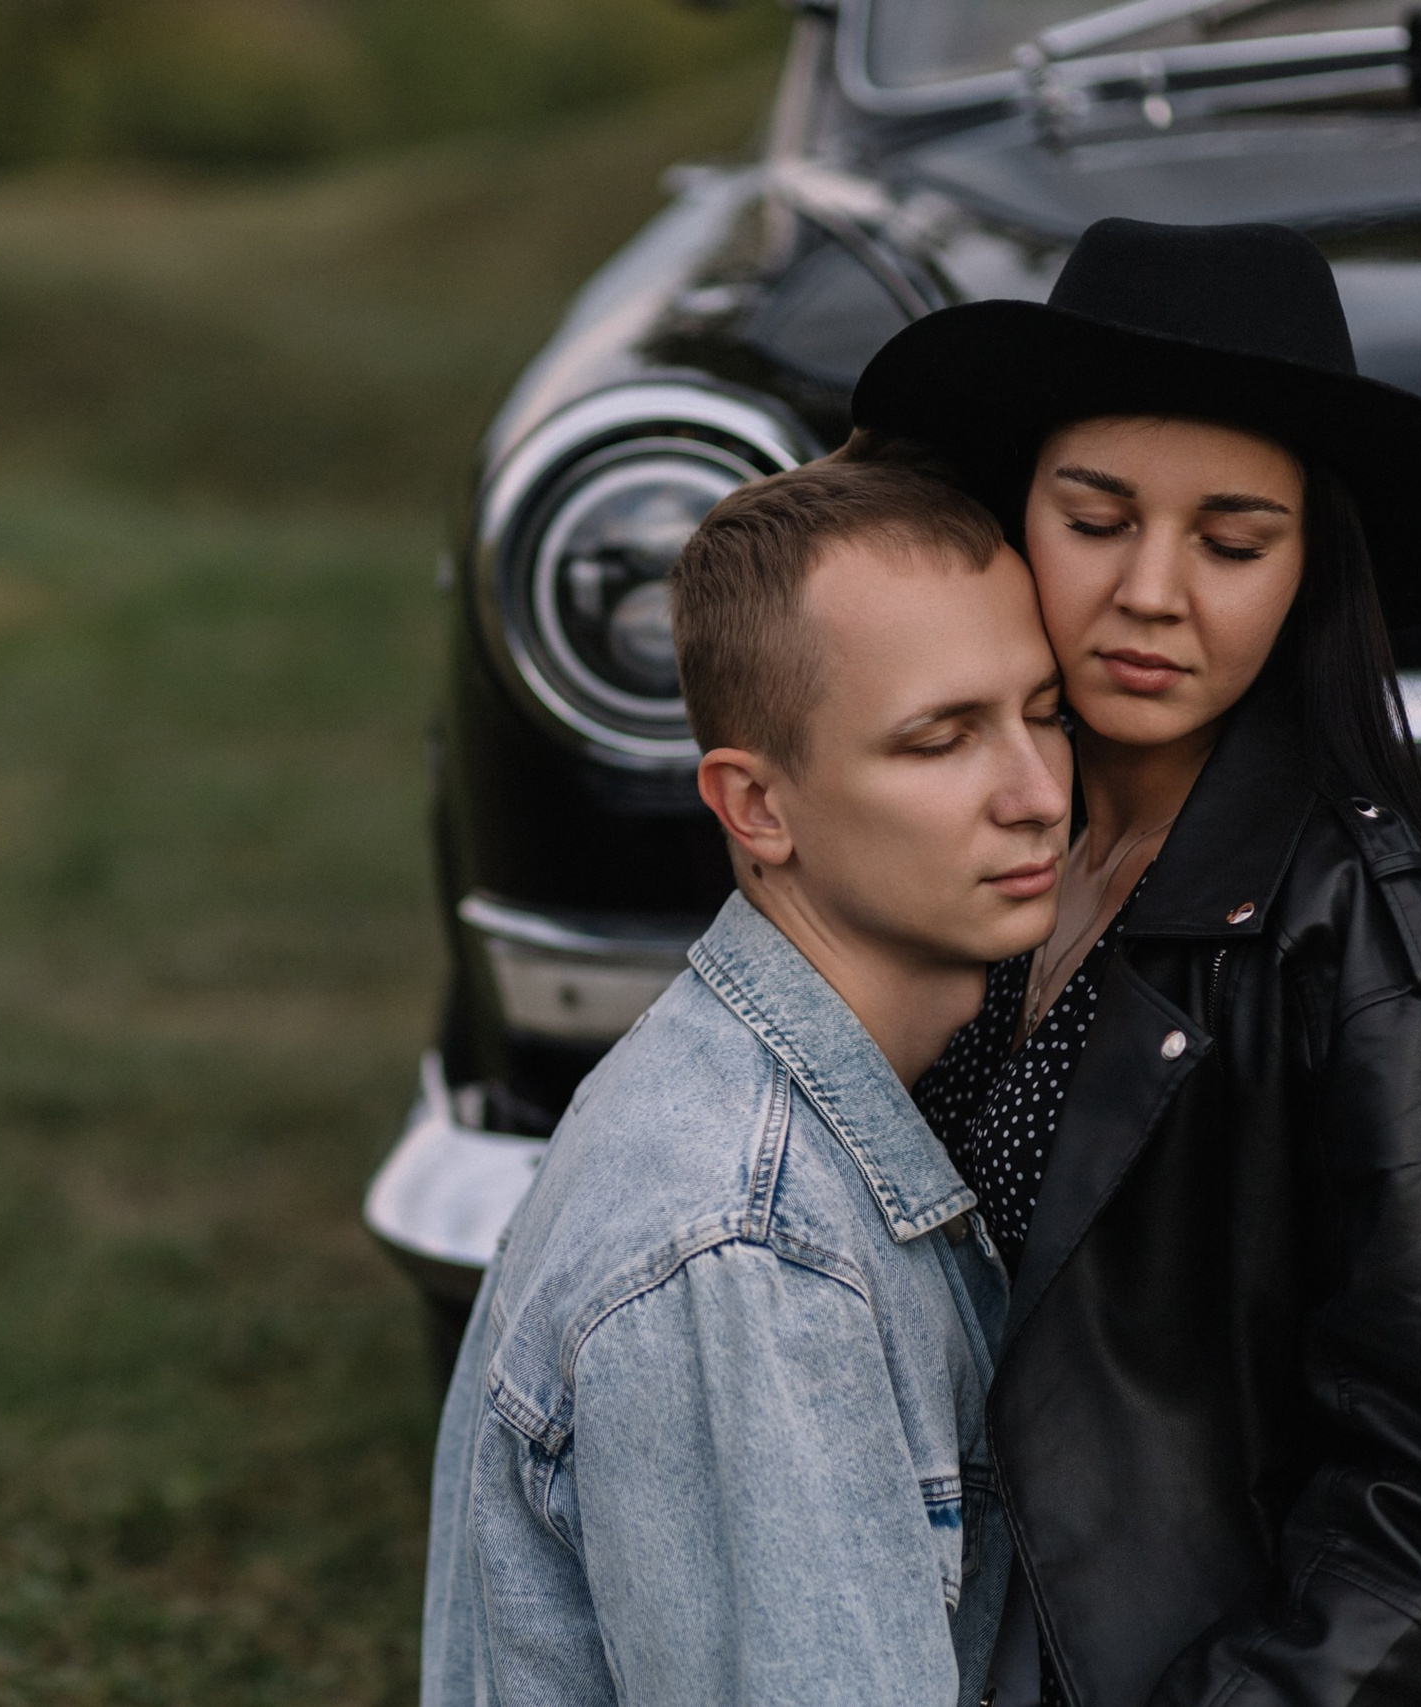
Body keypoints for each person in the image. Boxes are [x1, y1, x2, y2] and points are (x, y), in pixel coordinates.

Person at [852, 217, 1421, 1707]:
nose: (1154, 590)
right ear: (1013, 514)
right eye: (1095, 520)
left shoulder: (1401, 987)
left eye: (1231, 542)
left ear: (1307, 572)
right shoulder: (1010, 854)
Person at [420, 454, 1069, 1706]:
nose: (1038, 795)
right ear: (755, 806)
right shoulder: (747, 1253)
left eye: (1044, 713)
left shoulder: (831, 1107)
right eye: (941, 740)